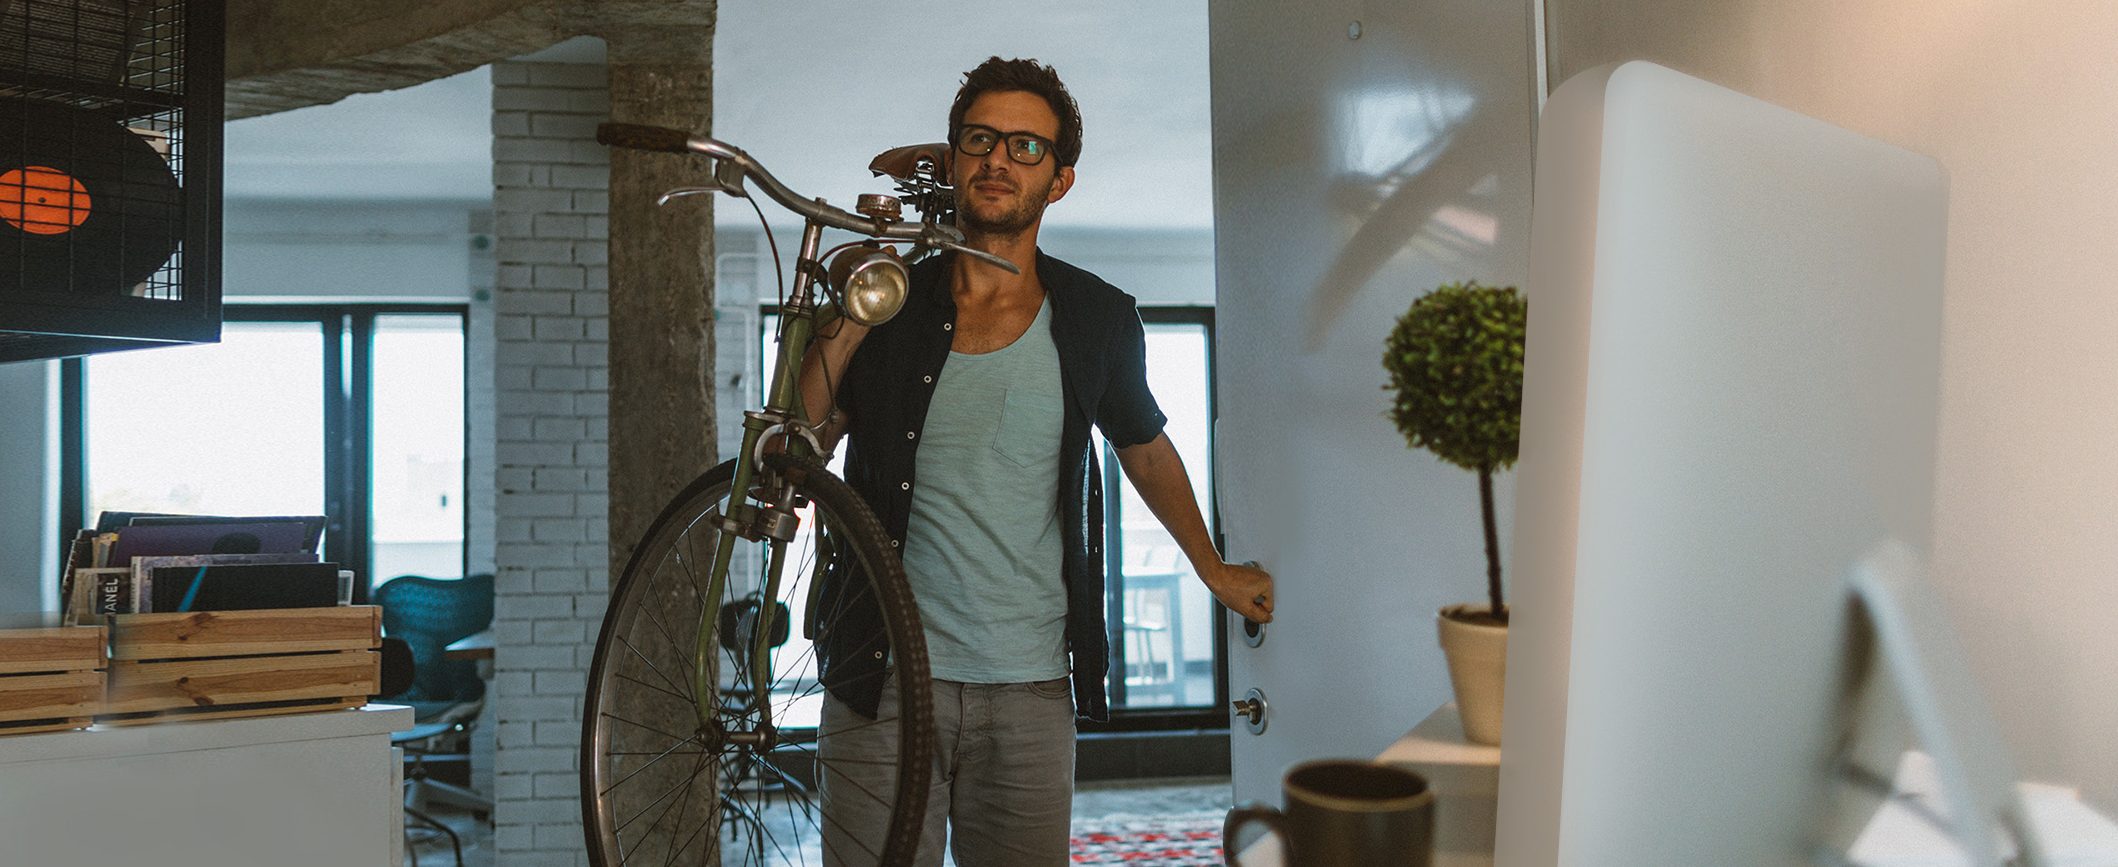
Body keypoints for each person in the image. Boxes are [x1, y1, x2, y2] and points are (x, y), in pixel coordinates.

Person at [799, 55, 1276, 867]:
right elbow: (802, 436)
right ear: (953, 161)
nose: (999, 160)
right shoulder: (894, 306)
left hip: (1028, 689)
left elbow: (1146, 447)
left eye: (1027, 147)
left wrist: (1211, 566)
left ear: (1059, 181)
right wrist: (856, 295)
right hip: (880, 679)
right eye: (981, 140)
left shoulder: (1097, 316)